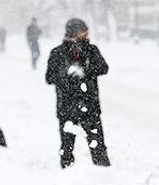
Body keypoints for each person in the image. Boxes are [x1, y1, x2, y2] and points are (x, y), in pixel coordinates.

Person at [46, 18, 111, 169]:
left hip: (90, 106)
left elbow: (103, 68)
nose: (86, 33)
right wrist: (66, 74)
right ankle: (67, 175)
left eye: (86, 30)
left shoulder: (92, 50)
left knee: (97, 145)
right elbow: (49, 77)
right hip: (67, 107)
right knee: (67, 147)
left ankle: (104, 174)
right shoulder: (57, 53)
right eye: (83, 30)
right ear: (73, 32)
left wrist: (85, 71)